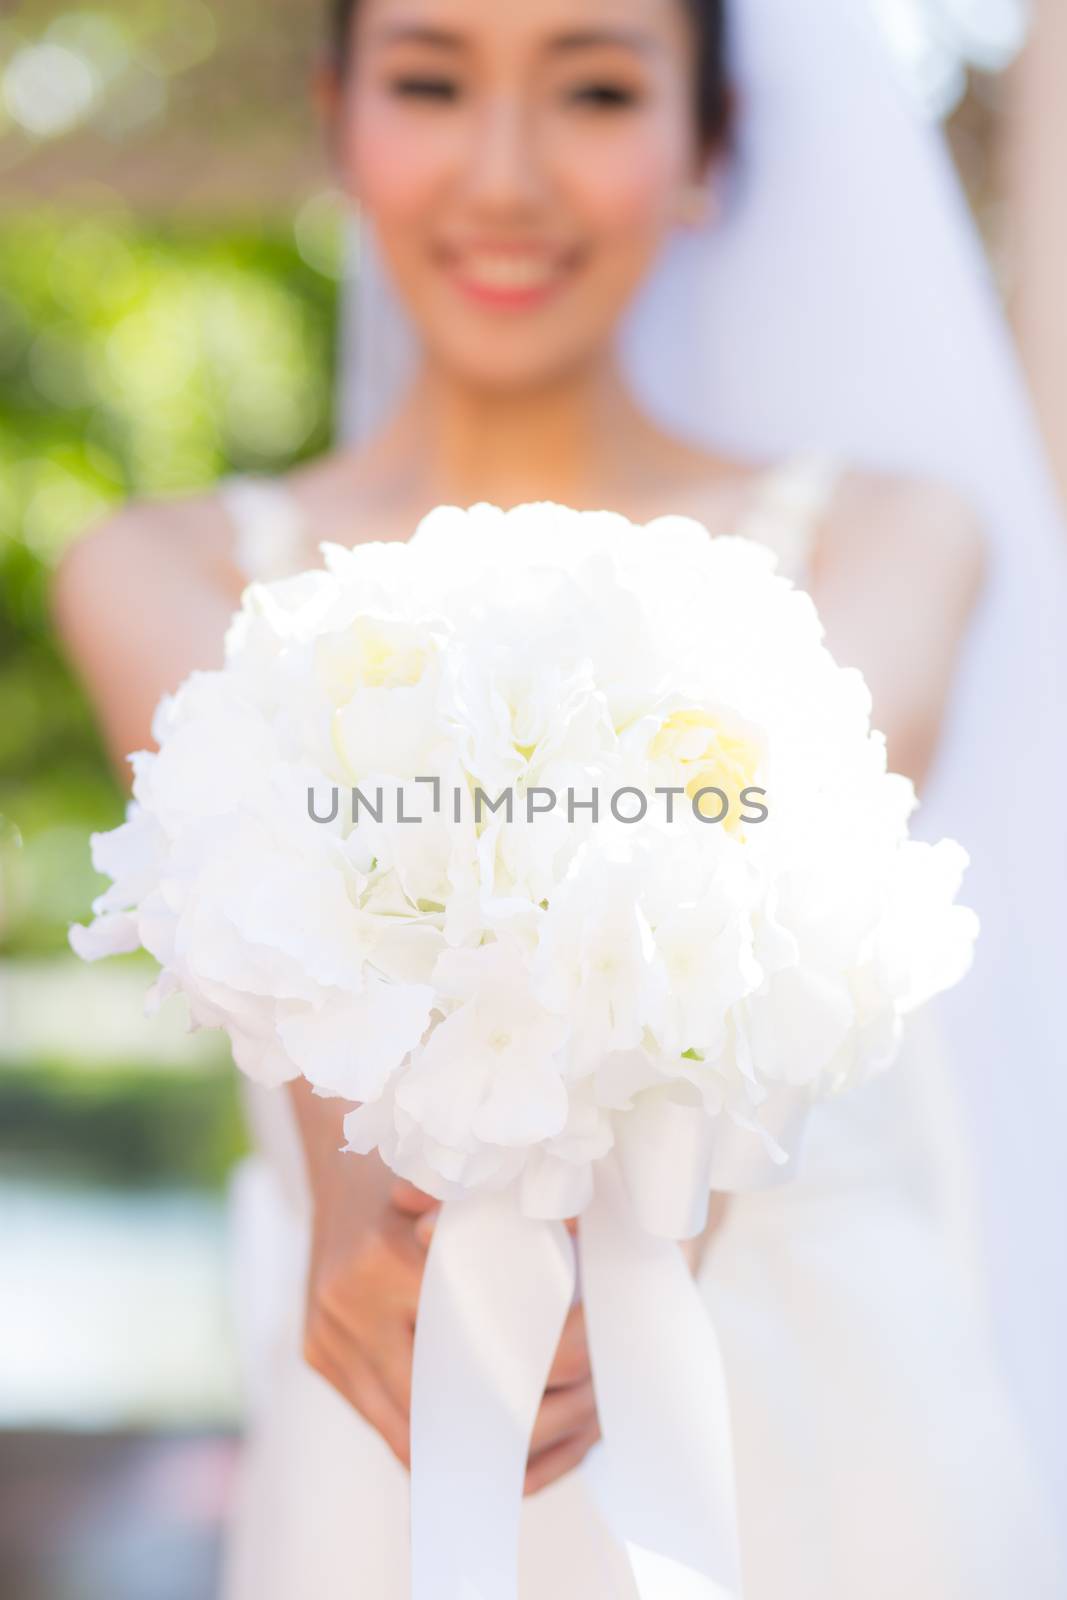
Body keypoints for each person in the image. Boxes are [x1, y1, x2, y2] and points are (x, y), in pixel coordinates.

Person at [51, 0, 1065, 1594]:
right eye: (433, 82)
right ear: (338, 113)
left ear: (705, 148)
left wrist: (640, 1248)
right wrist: (371, 1242)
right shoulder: (165, 574)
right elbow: (292, 972)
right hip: (388, 1405)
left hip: (826, 1435)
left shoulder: (888, 540)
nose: (505, 175)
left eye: (594, 88)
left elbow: (776, 871)